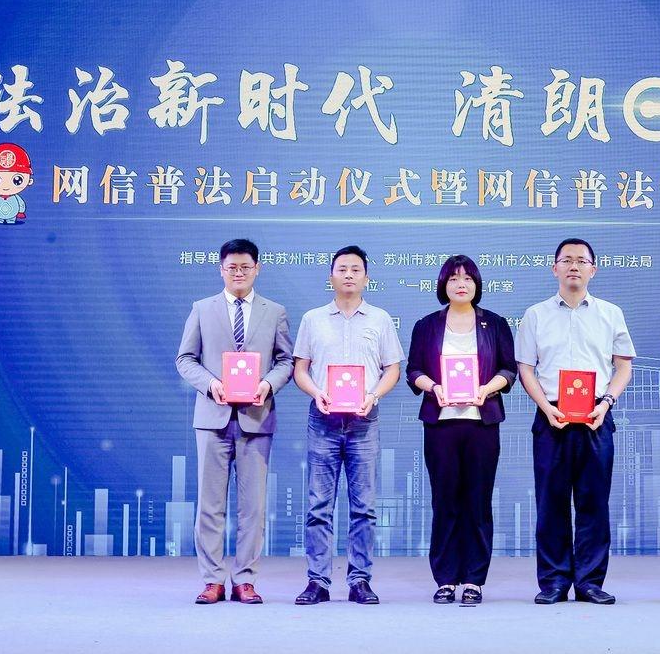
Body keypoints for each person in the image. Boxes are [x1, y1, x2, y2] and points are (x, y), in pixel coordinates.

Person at [516, 238, 635, 605]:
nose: (574, 266)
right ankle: (553, 582)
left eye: (581, 261)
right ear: (554, 268)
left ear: (592, 270)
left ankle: (589, 582)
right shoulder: (535, 315)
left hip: (596, 417)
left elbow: (623, 366)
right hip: (551, 416)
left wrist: (607, 402)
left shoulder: (610, 313)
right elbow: (525, 368)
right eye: (566, 260)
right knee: (550, 503)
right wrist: (545, 407)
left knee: (593, 503)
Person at [175, 238, 294, 604]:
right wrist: (211, 384)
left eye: (245, 267)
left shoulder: (275, 312)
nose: (238, 273)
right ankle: (212, 579)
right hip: (212, 418)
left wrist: (266, 385)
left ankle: (245, 579)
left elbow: (286, 361)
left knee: (252, 507)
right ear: (221, 269)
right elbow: (185, 359)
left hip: (256, 418)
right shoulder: (202, 309)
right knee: (210, 505)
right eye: (232, 267)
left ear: (257, 269)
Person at [292, 245, 404, 605]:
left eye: (356, 269)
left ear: (366, 277)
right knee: (318, 506)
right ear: (331, 276)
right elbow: (300, 370)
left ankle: (360, 580)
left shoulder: (380, 319)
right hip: (323, 420)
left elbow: (393, 369)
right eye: (342, 269)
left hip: (364, 421)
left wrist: (374, 395)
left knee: (364, 507)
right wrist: (317, 392)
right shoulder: (312, 319)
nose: (349, 275)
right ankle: (318, 581)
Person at [405, 255, 517, 605]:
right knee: (445, 500)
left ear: (477, 284)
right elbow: (413, 370)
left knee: (478, 501)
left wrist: (487, 389)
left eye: (468, 278)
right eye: (453, 278)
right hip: (441, 424)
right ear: (444, 285)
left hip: (482, 422)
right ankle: (445, 578)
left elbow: (508, 370)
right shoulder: (426, 325)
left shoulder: (494, 324)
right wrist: (434, 387)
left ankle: (473, 579)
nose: (461, 284)